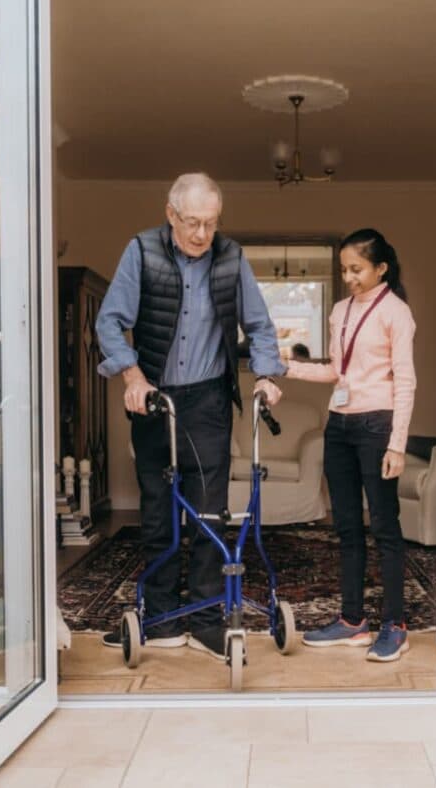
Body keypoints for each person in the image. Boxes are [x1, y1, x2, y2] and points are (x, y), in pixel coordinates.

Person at [95, 173, 285, 660]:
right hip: (153, 395)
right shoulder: (141, 251)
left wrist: (265, 374)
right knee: (158, 508)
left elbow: (260, 325)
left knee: (207, 510)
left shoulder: (232, 257)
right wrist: (132, 377)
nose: (202, 234)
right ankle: (160, 618)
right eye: (193, 223)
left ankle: (205, 618)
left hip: (208, 399)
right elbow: (110, 321)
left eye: (211, 223)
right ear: (170, 214)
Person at [285, 228, 416, 662]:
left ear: (381, 268)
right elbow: (337, 372)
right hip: (339, 425)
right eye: (344, 269)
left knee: (384, 526)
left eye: (357, 269)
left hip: (378, 426)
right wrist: (289, 368)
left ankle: (395, 625)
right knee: (345, 526)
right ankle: (353, 620)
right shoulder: (339, 310)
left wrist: (397, 445)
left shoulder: (396, 313)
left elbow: (406, 382)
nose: (349, 277)